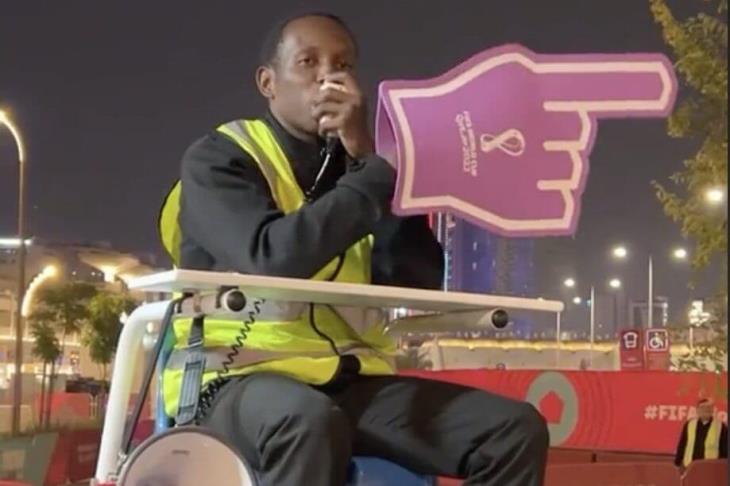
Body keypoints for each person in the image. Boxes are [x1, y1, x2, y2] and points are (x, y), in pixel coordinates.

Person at [158, 12, 548, 485]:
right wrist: (374, 179)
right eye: (308, 62)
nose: (329, 78)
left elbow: (417, 279)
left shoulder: (363, 171)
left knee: (514, 430)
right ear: (268, 82)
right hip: (232, 382)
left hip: (348, 383)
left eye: (342, 65)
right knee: (306, 421)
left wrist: (367, 159)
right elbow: (270, 258)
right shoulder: (220, 158)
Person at [674, 398, 728, 472]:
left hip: (711, 468)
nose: (706, 410)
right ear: (697, 410)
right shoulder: (689, 424)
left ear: (712, 410)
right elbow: (682, 444)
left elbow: (724, 449)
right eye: (703, 407)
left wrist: (723, 467)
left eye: (709, 407)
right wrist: (677, 463)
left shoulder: (721, 426)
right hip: (690, 466)